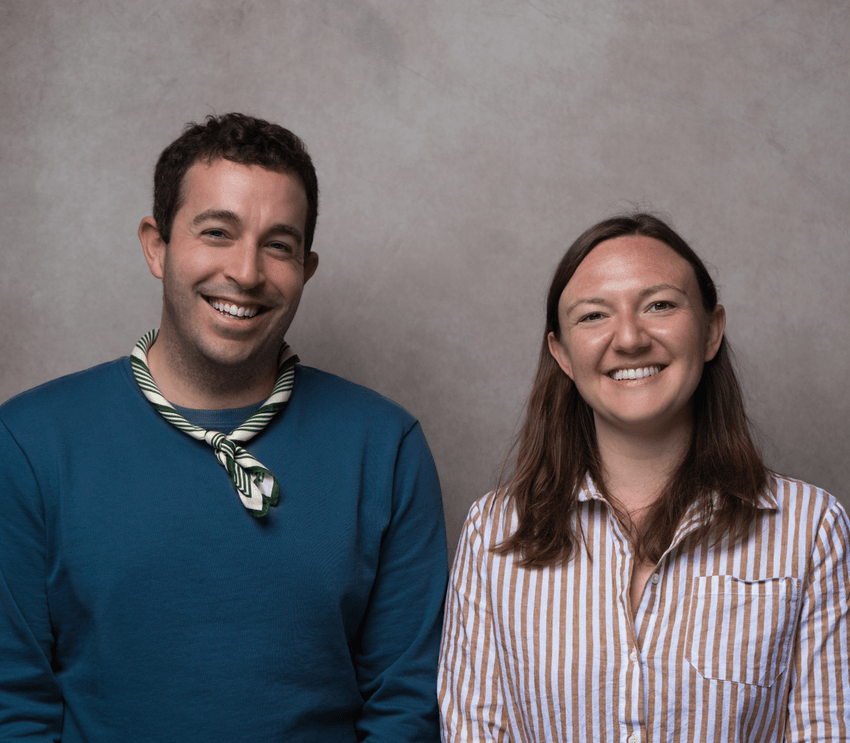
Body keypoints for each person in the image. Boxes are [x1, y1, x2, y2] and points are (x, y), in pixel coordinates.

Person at [0, 113, 447, 742]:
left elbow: (406, 704)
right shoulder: (29, 443)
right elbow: (13, 704)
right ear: (157, 246)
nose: (247, 272)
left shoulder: (386, 447)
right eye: (217, 233)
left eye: (279, 245)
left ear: (306, 269)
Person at [438, 213, 850, 741]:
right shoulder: (494, 530)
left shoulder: (812, 529)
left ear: (711, 331)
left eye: (659, 305)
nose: (630, 339)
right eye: (593, 315)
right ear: (562, 354)